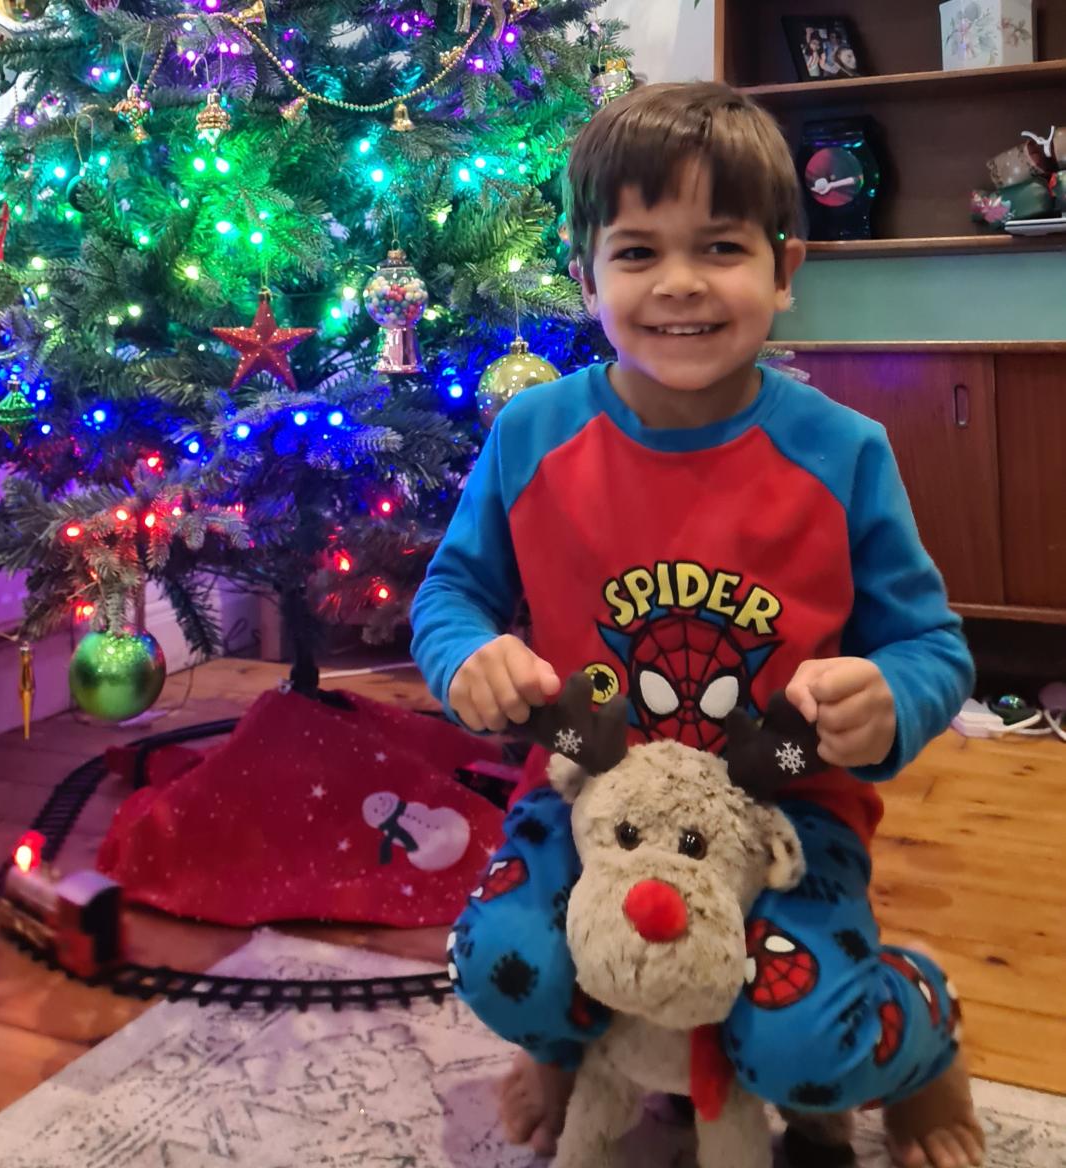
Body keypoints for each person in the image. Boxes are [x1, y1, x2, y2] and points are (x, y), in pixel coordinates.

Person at [410, 82, 984, 1168]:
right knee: (504, 960)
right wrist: (465, 657)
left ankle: (922, 1029)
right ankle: (568, 1043)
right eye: (635, 252)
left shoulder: (841, 450)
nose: (678, 284)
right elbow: (450, 597)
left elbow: (930, 646)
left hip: (782, 806)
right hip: (585, 787)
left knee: (806, 1046)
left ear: (782, 269)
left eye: (718, 246)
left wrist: (889, 696)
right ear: (584, 274)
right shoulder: (532, 434)